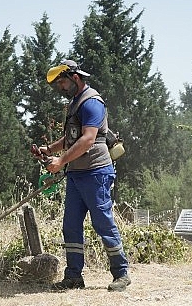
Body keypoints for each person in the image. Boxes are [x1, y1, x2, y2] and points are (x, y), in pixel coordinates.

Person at [39, 59, 131, 292]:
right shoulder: (75, 104)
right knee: (70, 226)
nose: (60, 87)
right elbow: (71, 137)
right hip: (76, 175)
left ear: (74, 77)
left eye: (62, 82)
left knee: (103, 223)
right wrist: (50, 150)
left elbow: (88, 139)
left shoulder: (91, 102)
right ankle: (73, 277)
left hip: (96, 172)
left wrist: (60, 161)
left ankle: (121, 273)